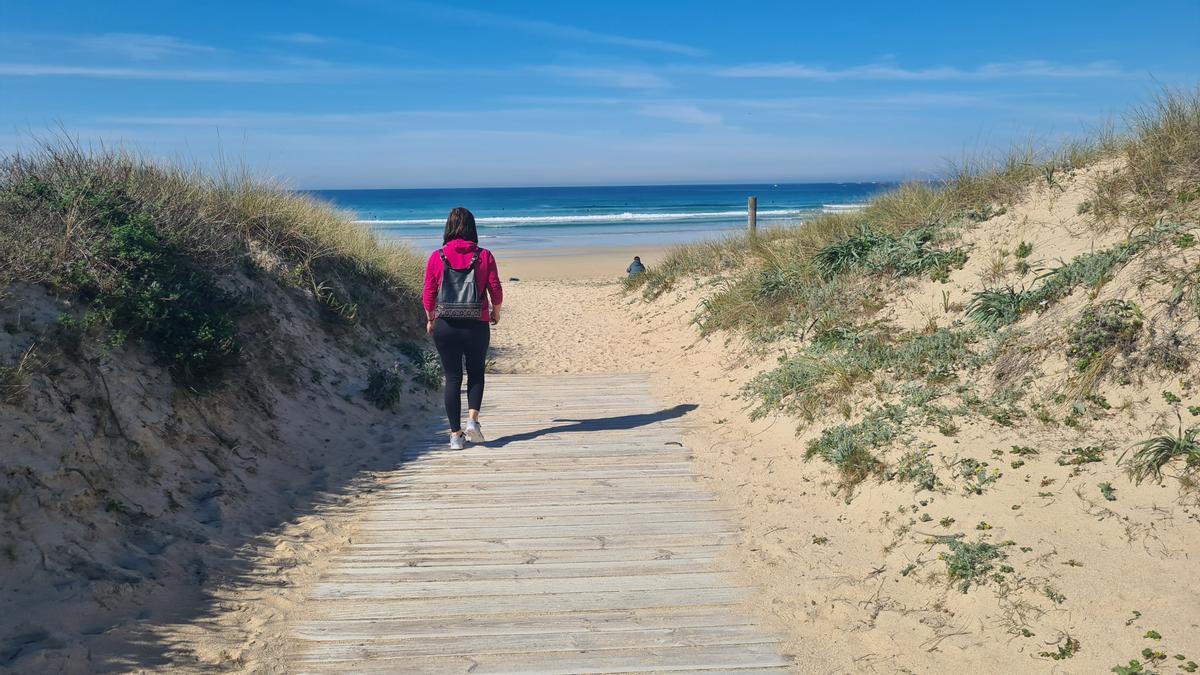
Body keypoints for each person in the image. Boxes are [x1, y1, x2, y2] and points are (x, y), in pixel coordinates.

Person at [422, 207, 503, 449]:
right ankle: (472, 422)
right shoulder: (484, 255)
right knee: (476, 373)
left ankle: (456, 436)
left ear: (448, 227)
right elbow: (496, 290)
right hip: (476, 323)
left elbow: (429, 293)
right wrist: (495, 313)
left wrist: (430, 319)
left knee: (452, 378)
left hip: (445, 324)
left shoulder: (437, 257)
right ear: (472, 227)